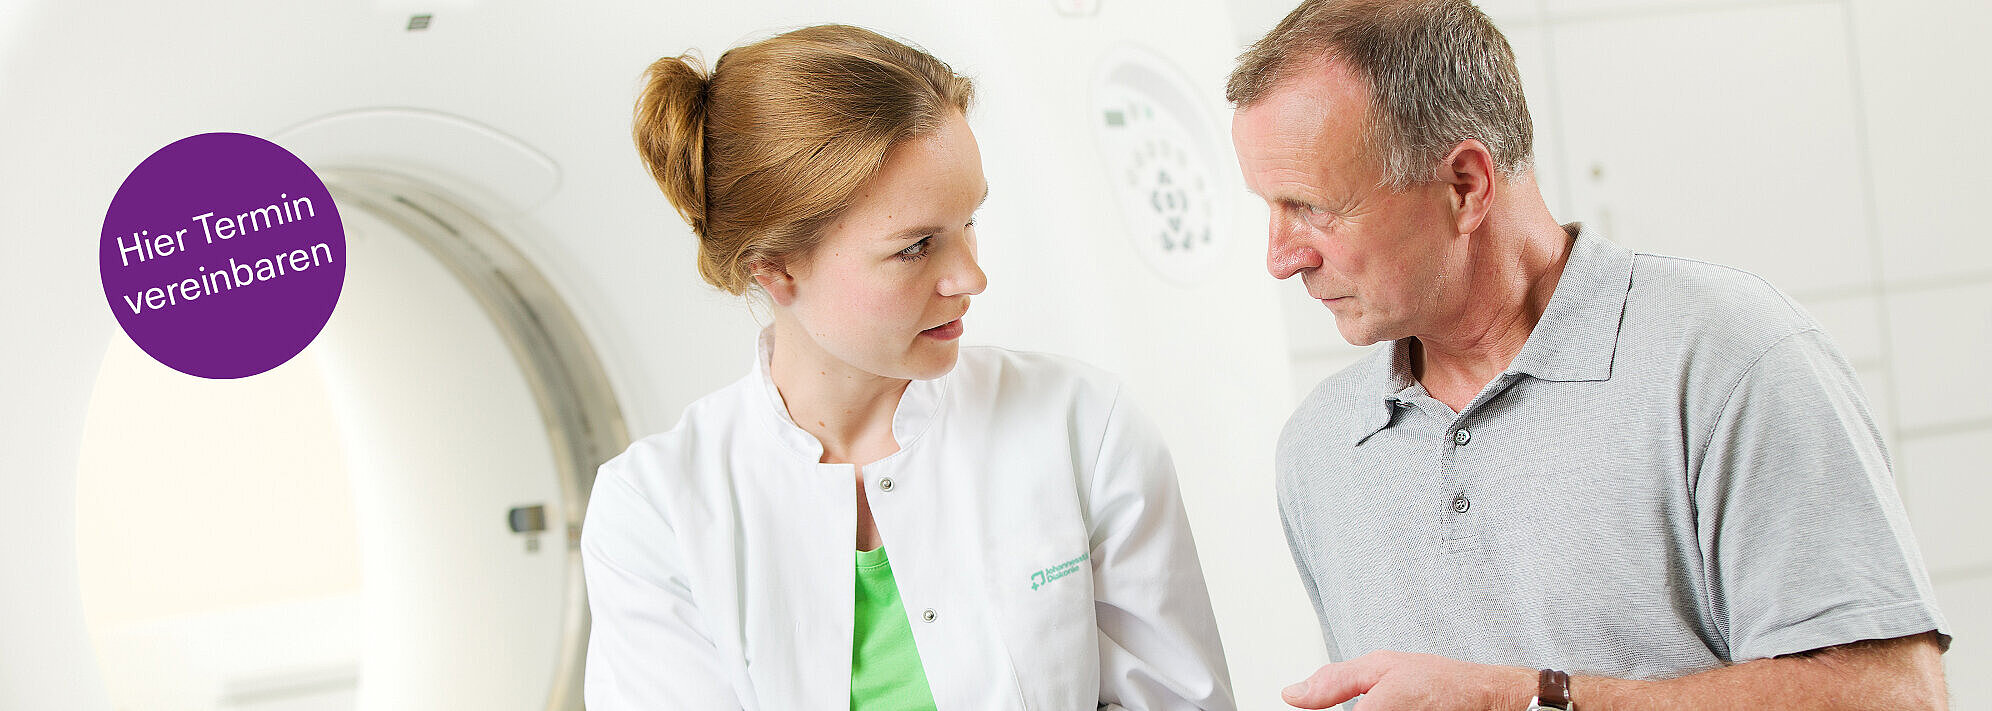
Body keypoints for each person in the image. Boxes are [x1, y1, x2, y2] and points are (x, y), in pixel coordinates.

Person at [1224, 1, 1951, 709]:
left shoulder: (1727, 359)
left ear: (1465, 185)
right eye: (1269, 206)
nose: (1280, 258)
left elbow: (1895, 696)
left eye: (1311, 206)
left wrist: (1526, 697)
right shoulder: (1319, 449)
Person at [579, 25, 1234, 711]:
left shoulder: (1083, 427)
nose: (971, 276)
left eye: (969, 222)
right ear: (772, 268)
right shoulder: (655, 508)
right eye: (917, 246)